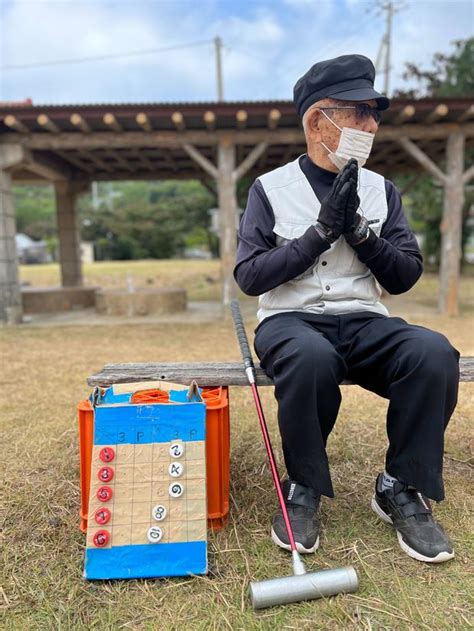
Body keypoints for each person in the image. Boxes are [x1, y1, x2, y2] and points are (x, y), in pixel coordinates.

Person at [233, 54, 460, 564]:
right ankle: (304, 489)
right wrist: (319, 234)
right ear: (318, 121)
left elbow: (404, 275)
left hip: (364, 322)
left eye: (375, 113)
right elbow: (250, 276)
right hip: (291, 321)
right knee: (311, 358)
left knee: (433, 352)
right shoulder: (269, 189)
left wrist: (360, 232)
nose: (372, 125)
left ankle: (401, 486)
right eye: (360, 112)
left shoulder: (382, 190)